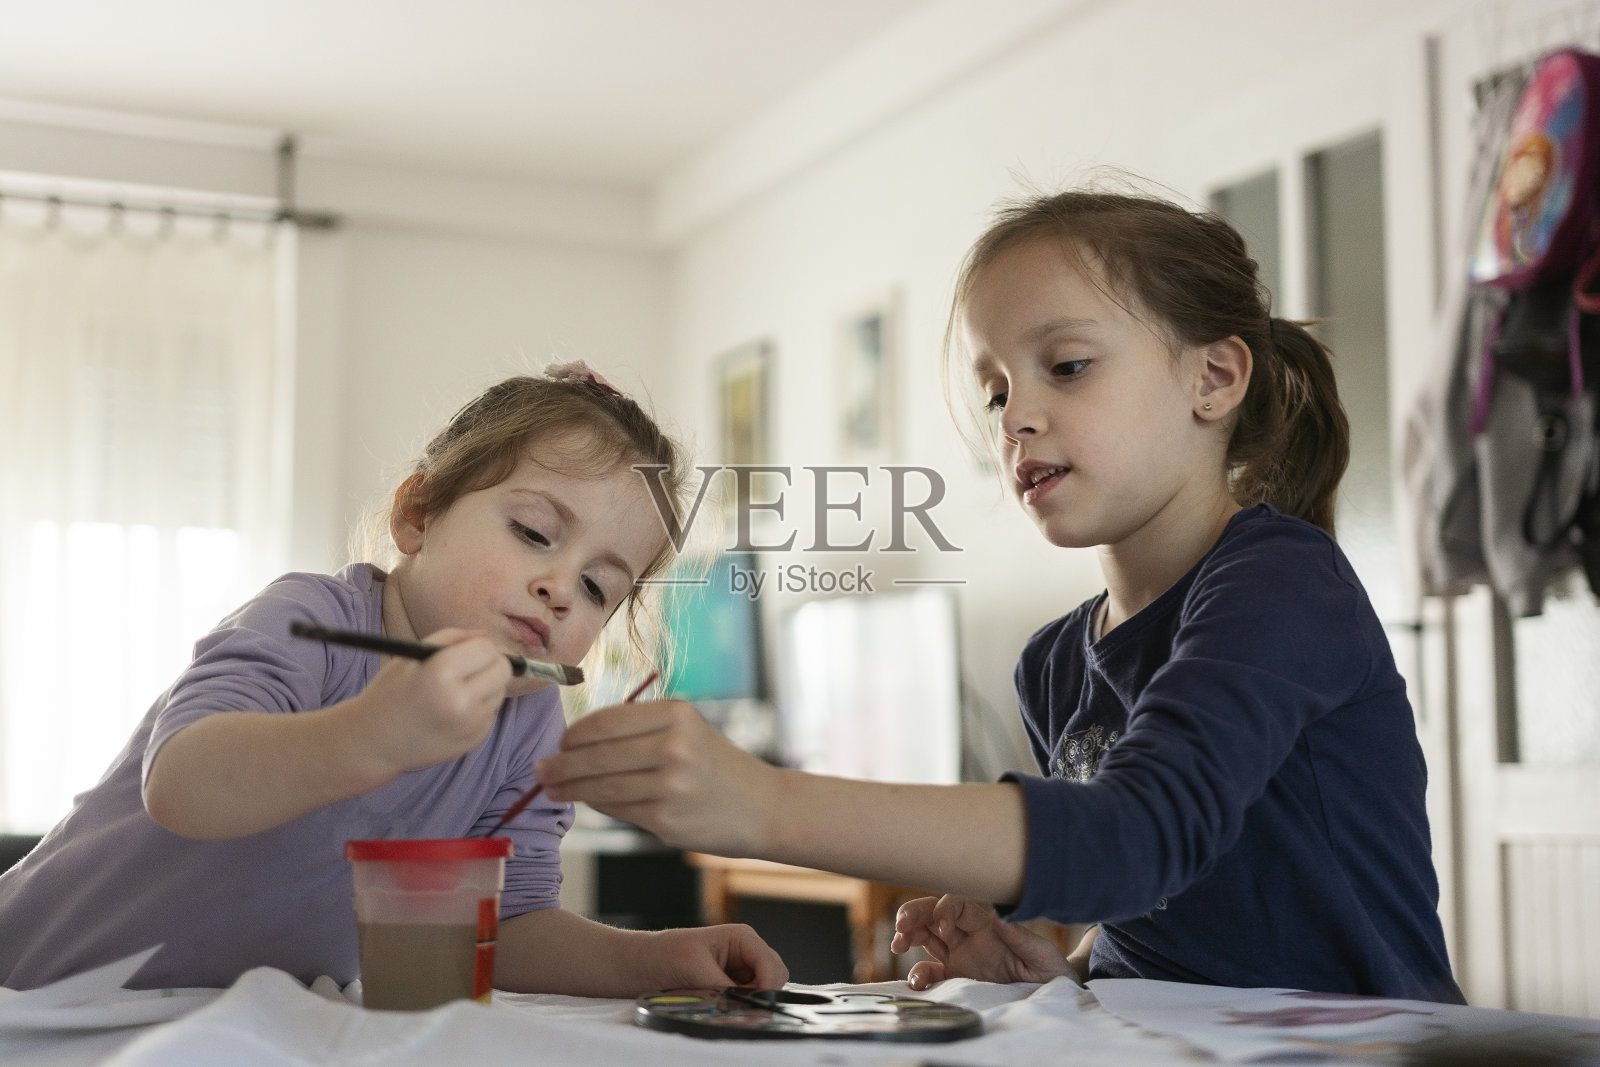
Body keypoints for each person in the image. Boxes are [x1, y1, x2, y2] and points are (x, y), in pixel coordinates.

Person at [535, 189, 1465, 1003]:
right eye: (995, 391)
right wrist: (1059, 977)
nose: (1016, 415)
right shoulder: (1053, 662)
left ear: (1212, 377)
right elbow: (1161, 926)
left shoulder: (1282, 581)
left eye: (1066, 366)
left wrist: (763, 804)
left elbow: (1142, 836)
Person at [0, 364, 785, 996]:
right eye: (534, 532)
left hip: (199, 1031)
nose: (558, 586)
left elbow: (504, 927)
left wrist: (657, 961)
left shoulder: (529, 720)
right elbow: (182, 784)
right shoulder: (308, 618)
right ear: (418, 514)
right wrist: (375, 733)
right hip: (30, 994)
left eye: (597, 588)